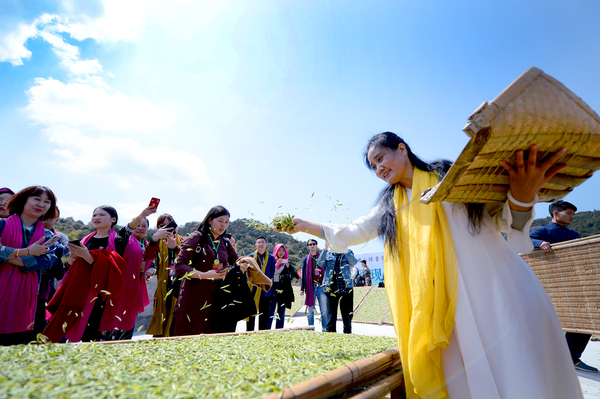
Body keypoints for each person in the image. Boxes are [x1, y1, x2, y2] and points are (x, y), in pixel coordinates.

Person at [284, 132, 583, 398]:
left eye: (380, 158)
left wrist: (522, 196)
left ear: (402, 149)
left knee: (515, 371)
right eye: (373, 166)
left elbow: (504, 218)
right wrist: (304, 225)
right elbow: (353, 232)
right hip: (442, 310)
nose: (378, 169)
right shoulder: (390, 205)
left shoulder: (450, 176)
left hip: (492, 290)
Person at [530, 200, 597, 373]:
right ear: (555, 213)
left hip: (574, 283)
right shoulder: (541, 231)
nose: (572, 216)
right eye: (569, 213)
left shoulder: (574, 234)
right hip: (548, 285)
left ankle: (571, 358)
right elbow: (524, 242)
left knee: (584, 318)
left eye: (574, 214)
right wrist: (539, 243)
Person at [44, 205, 128, 343]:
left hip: (98, 292)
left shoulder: (118, 240)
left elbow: (114, 269)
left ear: (113, 219)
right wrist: (72, 258)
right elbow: (70, 267)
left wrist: (87, 255)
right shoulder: (85, 239)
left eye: (102, 215)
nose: (97, 218)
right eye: (94, 215)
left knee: (91, 327)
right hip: (78, 288)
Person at [172, 206, 248, 335]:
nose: (223, 225)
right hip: (194, 297)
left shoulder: (226, 243)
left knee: (212, 339)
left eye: (227, 222)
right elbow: (179, 266)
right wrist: (204, 275)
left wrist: (243, 264)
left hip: (218, 297)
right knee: (189, 337)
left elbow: (237, 261)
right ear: (209, 220)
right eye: (220, 221)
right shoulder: (196, 237)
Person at [0, 186, 58, 346]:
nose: (42, 204)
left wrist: (7, 255)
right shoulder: (2, 225)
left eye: (47, 202)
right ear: (23, 200)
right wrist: (28, 251)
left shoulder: (48, 236)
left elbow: (45, 262)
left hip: (26, 297)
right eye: (37, 199)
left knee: (16, 344)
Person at [100, 206, 157, 341]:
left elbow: (153, 263)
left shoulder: (148, 245)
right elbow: (124, 232)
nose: (140, 228)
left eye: (144, 226)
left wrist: (151, 270)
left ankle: (123, 345)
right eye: (138, 225)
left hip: (134, 290)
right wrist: (142, 215)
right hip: (120, 287)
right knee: (111, 316)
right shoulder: (124, 241)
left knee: (129, 319)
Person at [33, 207, 70, 336]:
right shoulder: (31, 231)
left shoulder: (61, 236)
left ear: (57, 219)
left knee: (49, 309)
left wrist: (44, 246)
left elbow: (65, 250)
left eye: (51, 214)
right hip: (32, 274)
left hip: (50, 279)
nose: (46, 216)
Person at [144, 213, 182, 337]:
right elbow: (148, 256)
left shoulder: (181, 240)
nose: (166, 228)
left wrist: (175, 247)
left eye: (169, 225)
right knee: (161, 310)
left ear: (174, 226)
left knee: (176, 312)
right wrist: (154, 239)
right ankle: (160, 336)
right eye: (162, 226)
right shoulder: (155, 242)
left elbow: (188, 256)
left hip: (178, 282)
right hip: (162, 284)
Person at [318, 244, 356, 334]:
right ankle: (331, 335)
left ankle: (347, 334)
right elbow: (320, 263)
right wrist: (325, 250)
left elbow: (353, 262)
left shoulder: (348, 251)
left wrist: (345, 250)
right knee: (331, 315)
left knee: (347, 315)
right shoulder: (328, 253)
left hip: (346, 287)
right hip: (331, 287)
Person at [246, 236, 276, 331]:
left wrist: (264, 281)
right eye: (259, 242)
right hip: (253, 288)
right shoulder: (250, 257)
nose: (261, 244)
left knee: (264, 313)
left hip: (265, 289)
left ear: (266, 244)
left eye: (263, 242)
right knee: (251, 312)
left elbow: (272, 272)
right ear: (256, 245)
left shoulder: (271, 258)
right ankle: (249, 332)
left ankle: (262, 333)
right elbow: (246, 272)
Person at [300, 239, 328, 331]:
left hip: (321, 287)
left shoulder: (322, 257)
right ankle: (311, 330)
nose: (312, 246)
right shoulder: (305, 260)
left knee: (324, 310)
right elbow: (303, 274)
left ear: (316, 246)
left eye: (314, 244)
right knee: (310, 311)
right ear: (308, 247)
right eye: (310, 244)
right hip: (310, 287)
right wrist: (302, 288)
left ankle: (325, 329)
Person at [270, 243, 298, 329]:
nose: (281, 252)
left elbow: (296, 275)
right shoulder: (271, 260)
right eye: (279, 250)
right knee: (271, 309)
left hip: (283, 289)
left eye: (283, 250)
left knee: (281, 310)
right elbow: (269, 273)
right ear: (276, 251)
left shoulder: (287, 262)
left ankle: (279, 329)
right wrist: (276, 265)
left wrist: (289, 267)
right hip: (273, 287)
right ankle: (267, 328)